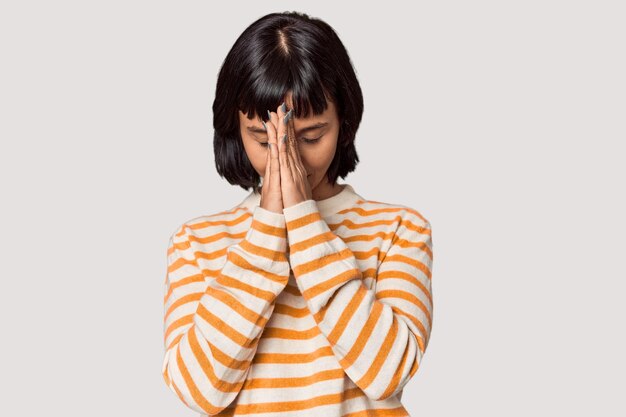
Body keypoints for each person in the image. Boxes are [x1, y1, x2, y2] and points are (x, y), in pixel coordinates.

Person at [162, 11, 434, 417]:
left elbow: (388, 372)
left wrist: (305, 223)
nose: (288, 155)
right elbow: (199, 391)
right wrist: (267, 232)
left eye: (310, 136)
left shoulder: (399, 230)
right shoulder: (196, 243)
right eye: (263, 139)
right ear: (234, 129)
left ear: (344, 122)